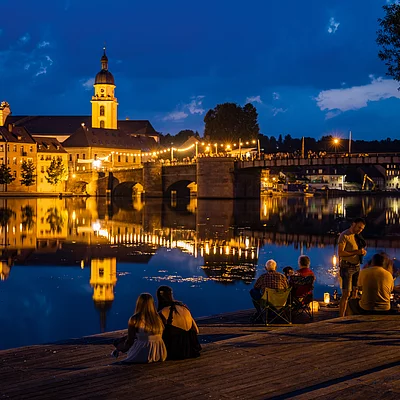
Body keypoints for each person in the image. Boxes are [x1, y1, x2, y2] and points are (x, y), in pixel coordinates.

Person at [112, 293, 167, 363]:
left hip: (142, 353)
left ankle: (117, 350)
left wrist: (120, 348)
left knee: (117, 341)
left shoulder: (135, 319)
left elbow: (130, 340)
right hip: (160, 353)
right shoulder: (159, 317)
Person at [156, 286, 201, 360]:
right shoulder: (184, 308)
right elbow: (196, 330)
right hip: (192, 349)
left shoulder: (163, 312)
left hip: (176, 351)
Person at [338, 217, 367, 317]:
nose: (360, 230)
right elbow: (341, 253)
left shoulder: (357, 236)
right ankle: (341, 317)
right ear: (353, 224)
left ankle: (351, 314)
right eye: (359, 227)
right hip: (347, 266)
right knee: (346, 293)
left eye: (362, 229)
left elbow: (358, 249)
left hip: (357, 266)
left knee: (355, 291)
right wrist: (356, 252)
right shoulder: (344, 235)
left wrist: (361, 252)